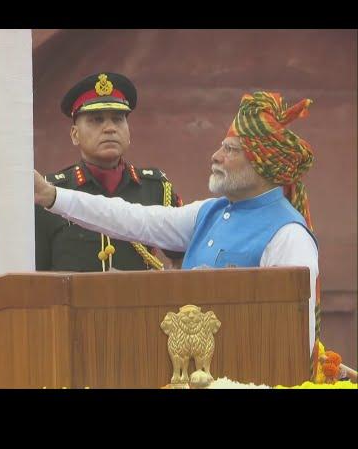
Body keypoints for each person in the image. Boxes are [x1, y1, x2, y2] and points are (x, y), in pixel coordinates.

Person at [35, 91, 319, 355]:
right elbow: (133, 218)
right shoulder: (210, 212)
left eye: (230, 150)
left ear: (263, 164)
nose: (216, 156)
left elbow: (294, 339)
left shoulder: (289, 235)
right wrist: (53, 196)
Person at [35, 72, 184, 272]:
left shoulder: (156, 188)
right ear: (75, 134)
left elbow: (182, 257)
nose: (109, 128)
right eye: (97, 120)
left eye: (118, 119)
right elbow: (36, 273)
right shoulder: (51, 193)